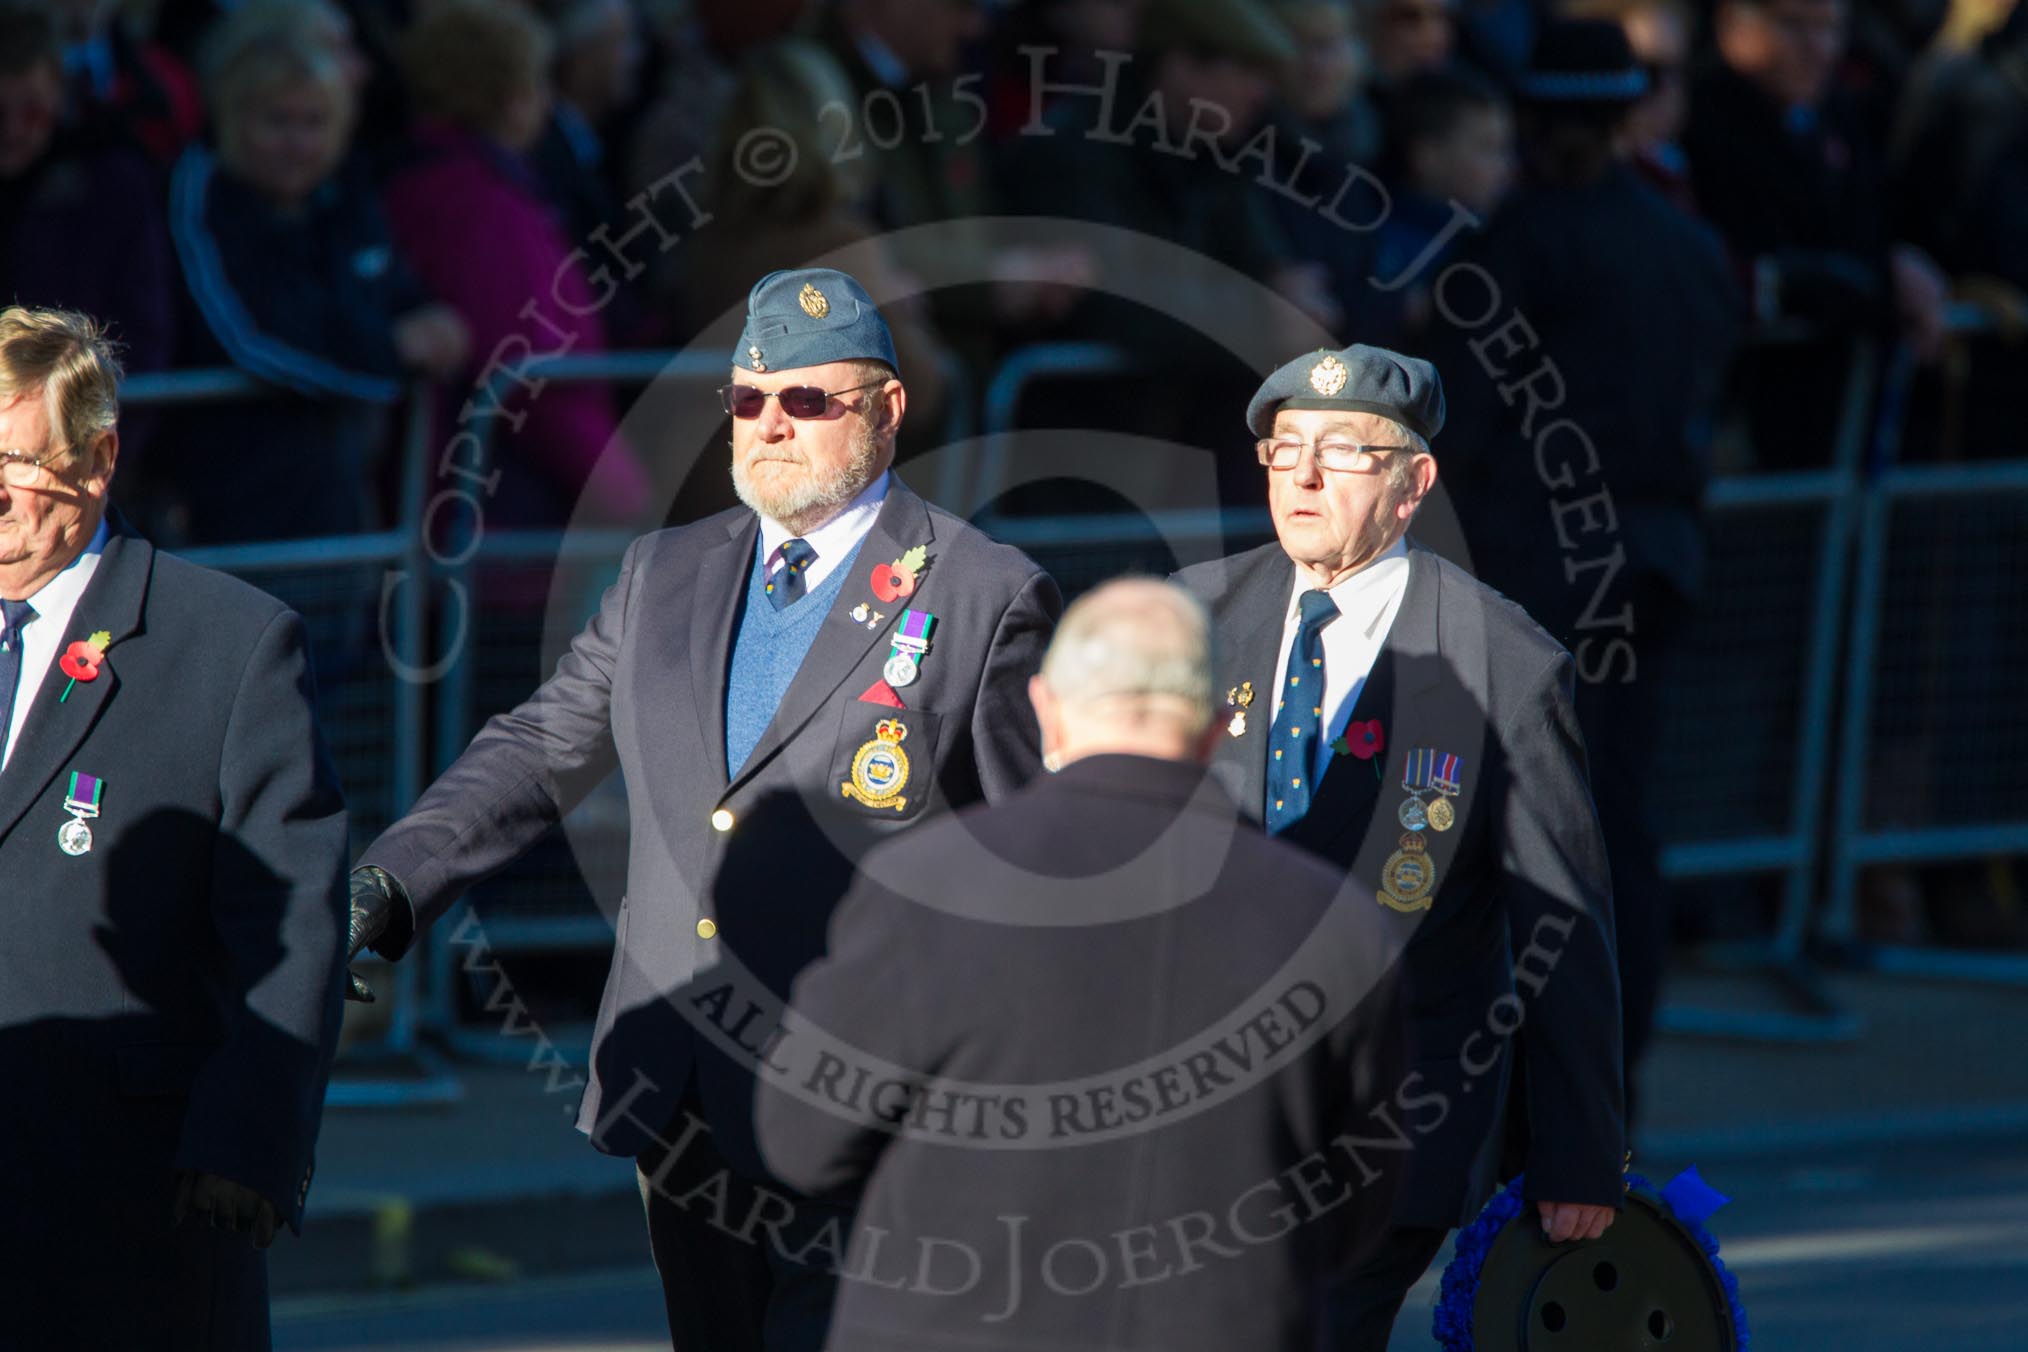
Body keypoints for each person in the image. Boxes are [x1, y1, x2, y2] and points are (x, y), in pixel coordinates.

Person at [342, 267, 1062, 1352]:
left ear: (887, 409)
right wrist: (390, 879)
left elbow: (1030, 858)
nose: (771, 424)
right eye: (748, 400)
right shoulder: (662, 571)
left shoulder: (980, 591)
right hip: (681, 1082)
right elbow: (541, 747)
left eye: (808, 400)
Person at [755, 577, 1412, 1350]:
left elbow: (803, 1141)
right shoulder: (1336, 923)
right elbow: (1357, 1205)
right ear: (1213, 727)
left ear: (1045, 709)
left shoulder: (927, 885)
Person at [1173, 343, 1625, 1352]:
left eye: (1342, 449)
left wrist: (1579, 1151)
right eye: (1284, 446)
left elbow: (1561, 919)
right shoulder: (1191, 616)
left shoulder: (1502, 661)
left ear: (1414, 482)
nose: (1303, 473)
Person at [0, 305, 349, 1349]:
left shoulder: (228, 644)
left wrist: (253, 1134)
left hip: (126, 1197)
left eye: (15, 458)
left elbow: (290, 918)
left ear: (98, 458)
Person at [1430, 18, 1739, 1121]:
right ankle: (1604, 1074)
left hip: (1538, 574)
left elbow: (1460, 424)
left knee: (1533, 832)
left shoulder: (1510, 249)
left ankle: (1545, 1083)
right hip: (1652, 564)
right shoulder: (1686, 248)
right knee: (1616, 817)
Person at [166, 11, 467, 545]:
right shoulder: (205, 193)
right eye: (277, 121)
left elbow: (388, 283)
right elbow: (254, 334)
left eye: (315, 122)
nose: (298, 143)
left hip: (342, 512)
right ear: (236, 119)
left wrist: (431, 318)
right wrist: (394, 352)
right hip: (232, 519)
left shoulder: (345, 191)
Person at [381, 0, 649, 525]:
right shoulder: (483, 208)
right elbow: (534, 371)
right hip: (508, 516)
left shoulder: (422, 183)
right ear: (513, 98)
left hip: (472, 503)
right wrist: (626, 496)